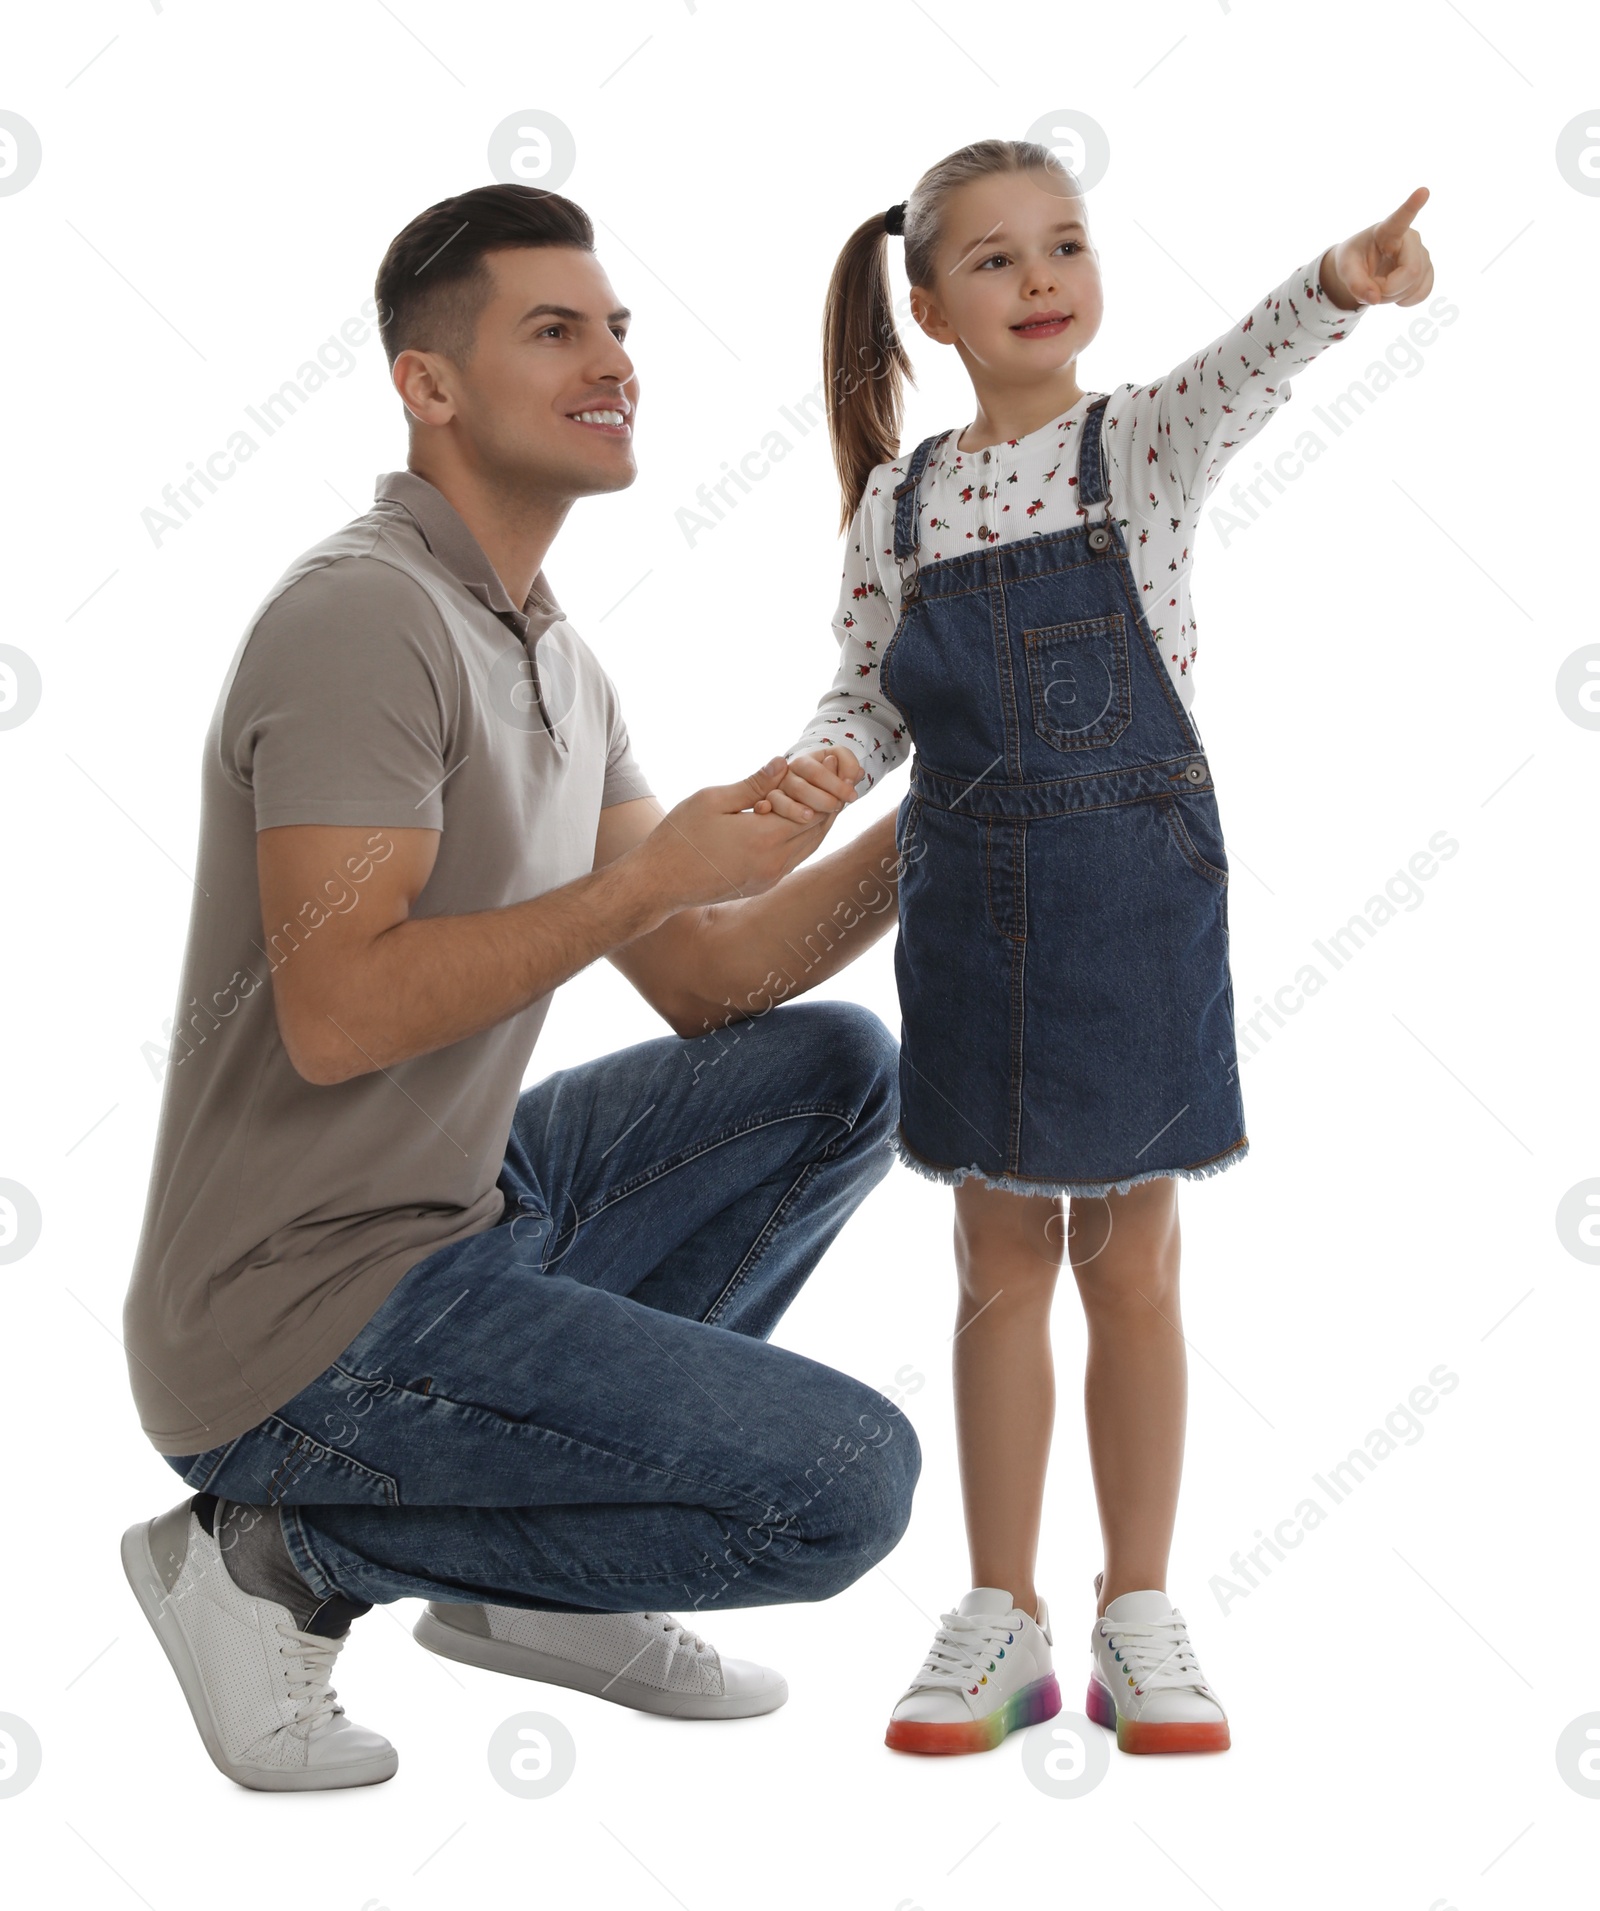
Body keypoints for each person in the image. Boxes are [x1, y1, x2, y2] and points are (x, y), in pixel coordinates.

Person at [118, 182, 919, 1793]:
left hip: (463, 1217)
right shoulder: (365, 619)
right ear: (429, 385)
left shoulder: (554, 653)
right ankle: (276, 1556)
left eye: (617, 327)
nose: (613, 358)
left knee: (833, 1069)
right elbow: (338, 1013)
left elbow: (708, 975)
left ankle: (538, 1589)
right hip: (298, 1322)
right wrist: (638, 880)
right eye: (554, 330)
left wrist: (955, 815)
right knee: (843, 1483)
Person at [755, 138, 1433, 1755]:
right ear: (926, 305)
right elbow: (867, 690)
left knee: (1131, 1263)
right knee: (997, 1268)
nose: (1041, 277)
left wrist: (1341, 282)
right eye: (993, 259)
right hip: (971, 906)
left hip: (1134, 894)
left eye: (1064, 243)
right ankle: (1002, 1616)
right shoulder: (898, 506)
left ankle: (1139, 1608)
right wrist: (824, 766)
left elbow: (1243, 369)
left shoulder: (1136, 447)